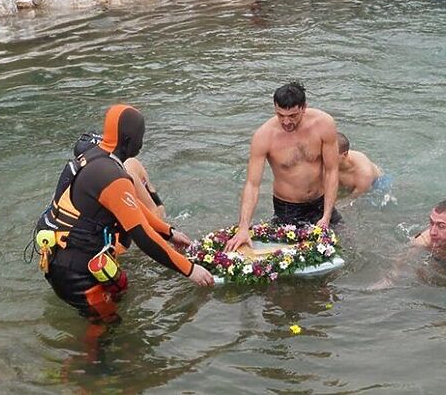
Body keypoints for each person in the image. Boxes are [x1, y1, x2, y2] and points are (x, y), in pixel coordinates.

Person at [38, 105, 213, 321]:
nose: (142, 143)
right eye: (141, 137)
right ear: (129, 141)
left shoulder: (95, 156)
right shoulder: (112, 175)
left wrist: (169, 232)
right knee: (107, 329)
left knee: (116, 309)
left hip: (59, 259)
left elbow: (132, 209)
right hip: (76, 274)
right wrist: (190, 270)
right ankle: (78, 354)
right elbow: (143, 237)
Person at [224, 82, 340, 251]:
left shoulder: (324, 124)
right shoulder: (264, 136)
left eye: (293, 116)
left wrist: (327, 215)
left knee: (345, 245)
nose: (286, 122)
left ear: (304, 108)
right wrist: (243, 228)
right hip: (288, 208)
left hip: (320, 202)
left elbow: (331, 170)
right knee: (292, 256)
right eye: (280, 115)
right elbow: (252, 184)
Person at [337, 132, 384, 197]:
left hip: (377, 184)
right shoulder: (324, 160)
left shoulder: (364, 173)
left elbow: (351, 201)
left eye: (330, 155)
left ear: (344, 155)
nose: (323, 157)